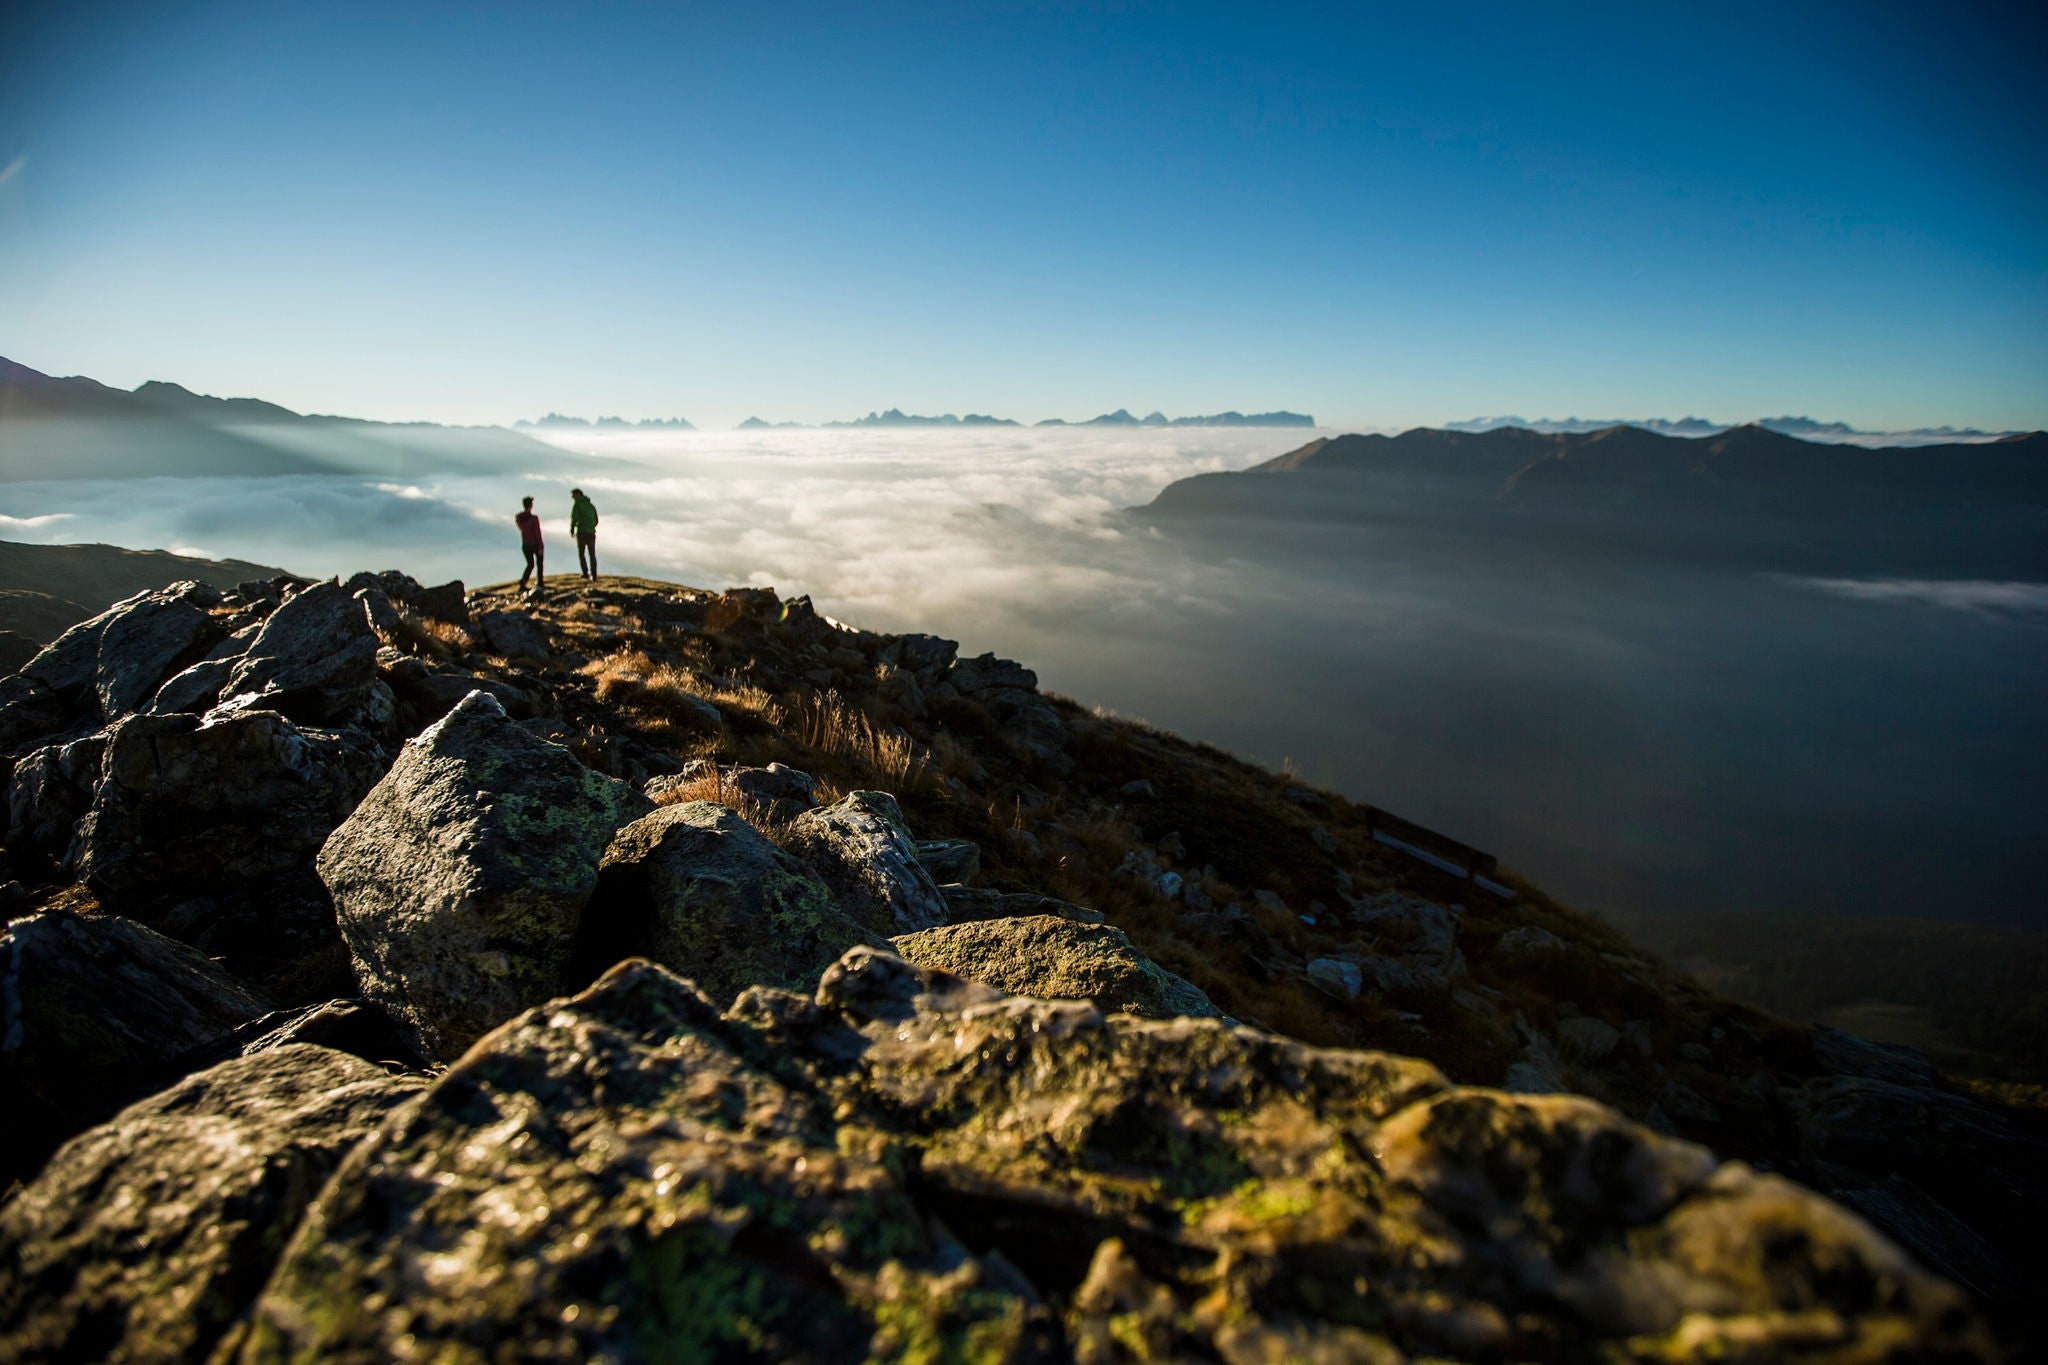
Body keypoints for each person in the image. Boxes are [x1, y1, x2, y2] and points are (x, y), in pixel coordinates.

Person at [515, 495, 544, 595]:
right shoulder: (534, 518)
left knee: (530, 564)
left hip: (525, 544)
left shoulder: (519, 518)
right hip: (535, 544)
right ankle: (540, 583)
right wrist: (541, 546)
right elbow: (537, 533)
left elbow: (522, 528)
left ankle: (523, 582)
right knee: (539, 564)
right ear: (531, 505)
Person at [570, 487, 599, 579]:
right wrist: (591, 526)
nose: (573, 498)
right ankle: (594, 575)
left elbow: (574, 518)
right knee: (592, 554)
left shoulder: (577, 505)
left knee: (581, 554)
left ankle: (585, 573)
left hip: (581, 532)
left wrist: (572, 529)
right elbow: (596, 520)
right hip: (591, 532)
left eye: (573, 496)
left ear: (578, 494)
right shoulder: (591, 505)